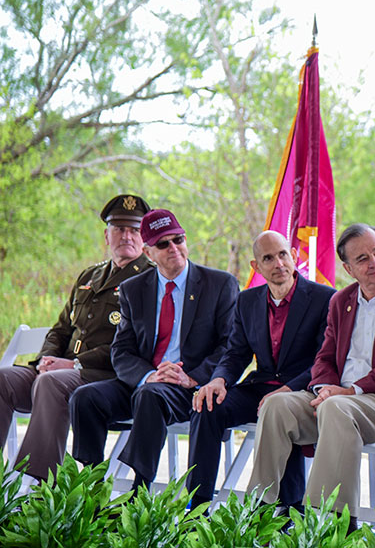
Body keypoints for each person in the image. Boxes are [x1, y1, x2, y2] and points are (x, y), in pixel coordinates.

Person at [247, 223, 375, 525]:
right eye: (362, 259)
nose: (374, 263)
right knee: (276, 406)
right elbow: (324, 356)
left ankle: (327, 524)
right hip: (338, 400)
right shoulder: (342, 301)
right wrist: (324, 387)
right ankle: (258, 512)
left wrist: (351, 391)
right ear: (348, 268)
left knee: (337, 408)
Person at [69, 208, 239, 490]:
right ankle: (91, 487)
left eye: (179, 239)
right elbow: (121, 351)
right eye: (163, 243)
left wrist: (192, 377)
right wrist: (149, 375)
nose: (174, 248)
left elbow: (230, 345)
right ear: (148, 253)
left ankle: (139, 490)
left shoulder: (219, 284)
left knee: (150, 396)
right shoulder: (133, 289)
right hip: (148, 382)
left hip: (191, 387)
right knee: (85, 398)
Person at [0, 195, 153, 485]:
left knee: (50, 383)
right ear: (106, 235)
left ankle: (37, 485)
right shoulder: (90, 275)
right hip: (62, 369)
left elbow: (133, 345)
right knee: (3, 379)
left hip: (105, 376)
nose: (126, 236)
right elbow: (60, 329)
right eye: (119, 229)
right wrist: (47, 359)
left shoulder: (149, 279)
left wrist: (73, 364)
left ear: (144, 238)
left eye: (134, 230)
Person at [188, 230, 335, 508]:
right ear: (257, 267)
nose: (278, 263)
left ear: (293, 255)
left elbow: (324, 359)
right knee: (206, 405)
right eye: (268, 258)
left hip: (302, 388)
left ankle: (287, 510)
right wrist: (218, 379)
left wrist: (288, 388)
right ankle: (198, 504)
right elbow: (236, 353)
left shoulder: (324, 298)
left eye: (282, 254)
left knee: (280, 408)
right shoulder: (247, 301)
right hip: (260, 385)